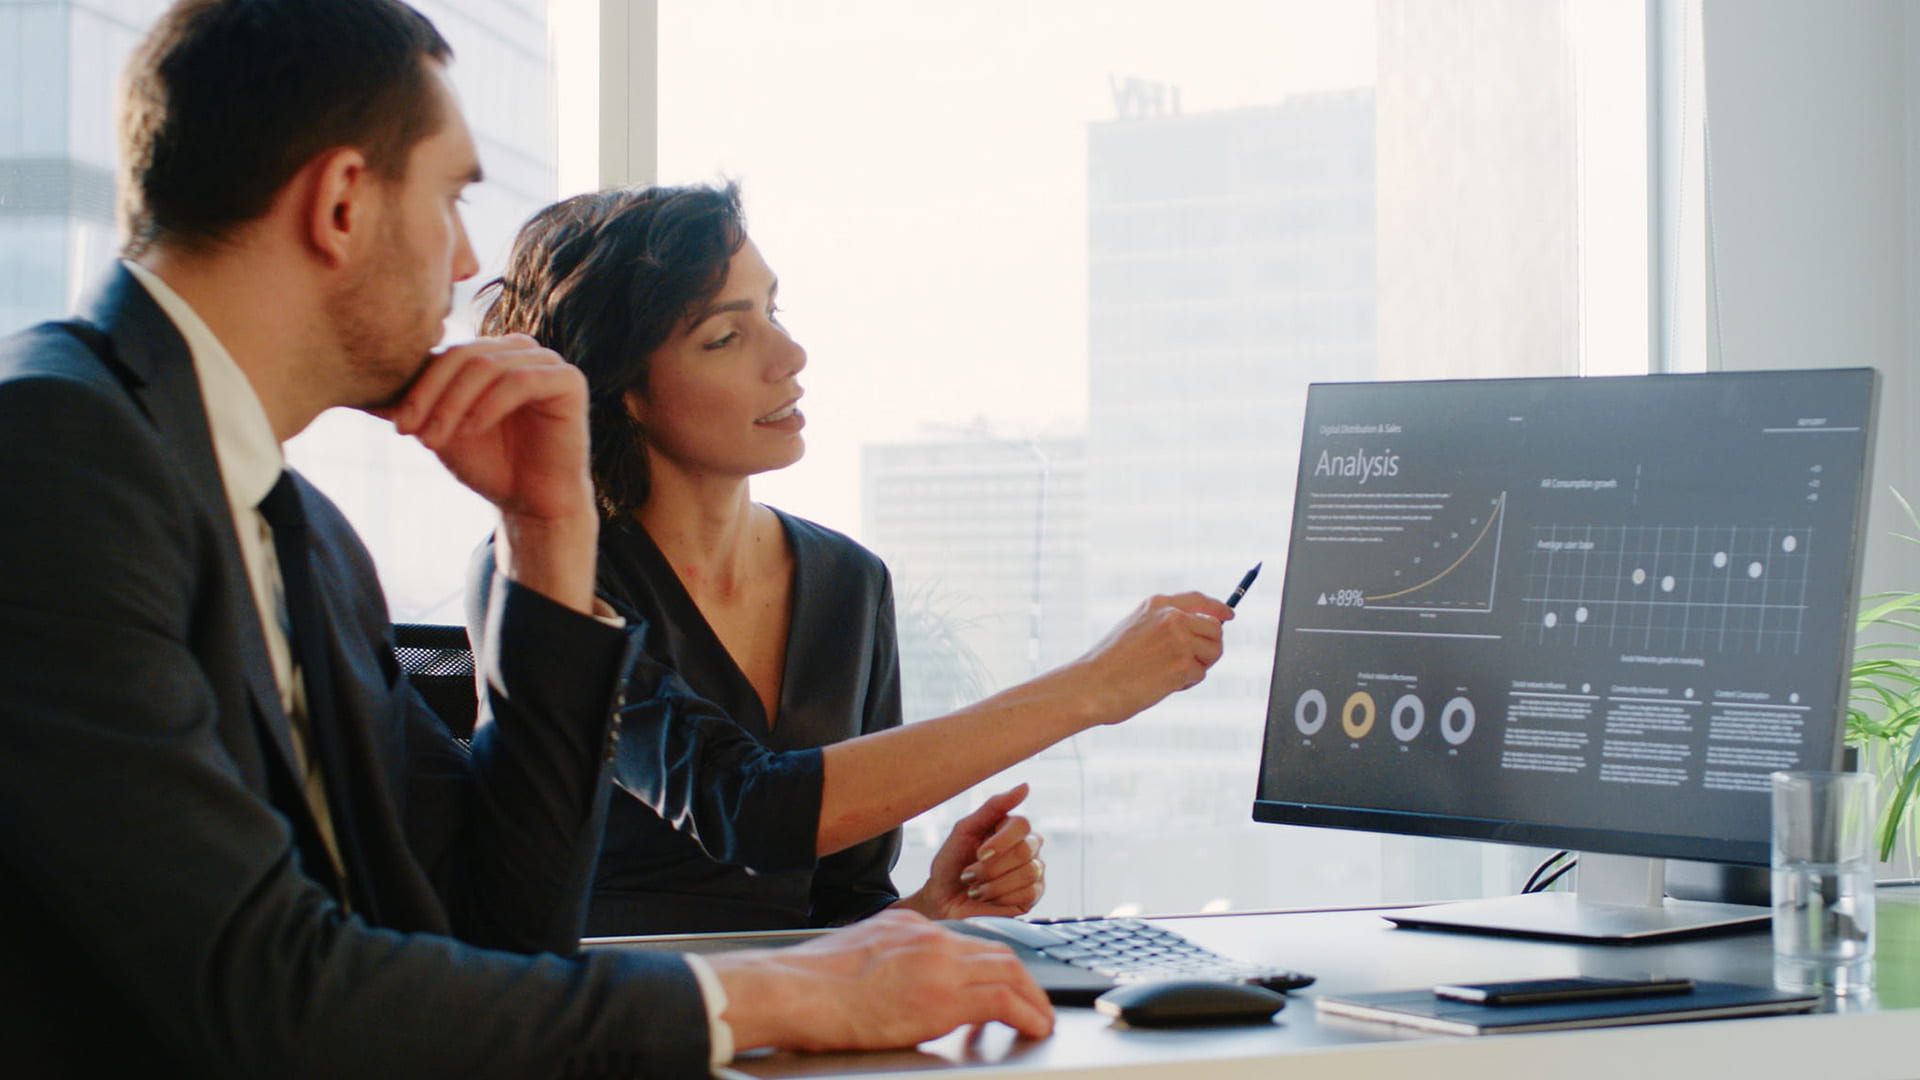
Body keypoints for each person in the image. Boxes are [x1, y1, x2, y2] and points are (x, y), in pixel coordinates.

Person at [0, 2, 1062, 1075]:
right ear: (339, 204)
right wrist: (775, 991)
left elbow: (496, 928)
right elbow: (260, 988)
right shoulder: (51, 453)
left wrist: (548, 537)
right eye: (454, 196)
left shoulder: (307, 537)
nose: (468, 261)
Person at [471, 183, 1237, 935]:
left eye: (773, 311)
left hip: (792, 1027)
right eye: (726, 338)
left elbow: (844, 901)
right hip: (610, 1025)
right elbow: (742, 806)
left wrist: (933, 905)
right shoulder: (544, 574)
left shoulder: (848, 581)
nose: (790, 354)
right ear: (624, 390)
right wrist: (1094, 687)